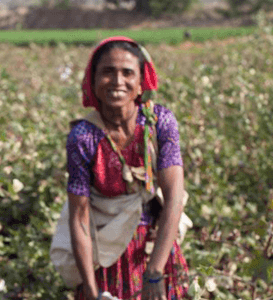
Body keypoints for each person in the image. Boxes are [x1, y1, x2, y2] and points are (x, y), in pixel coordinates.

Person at [52, 36, 189, 300]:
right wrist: (90, 289)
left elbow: (173, 199)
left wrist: (155, 271)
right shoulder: (83, 137)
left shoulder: (158, 123)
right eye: (107, 72)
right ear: (93, 81)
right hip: (106, 253)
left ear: (140, 84)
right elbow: (79, 218)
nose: (117, 81)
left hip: (154, 248)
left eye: (127, 73)